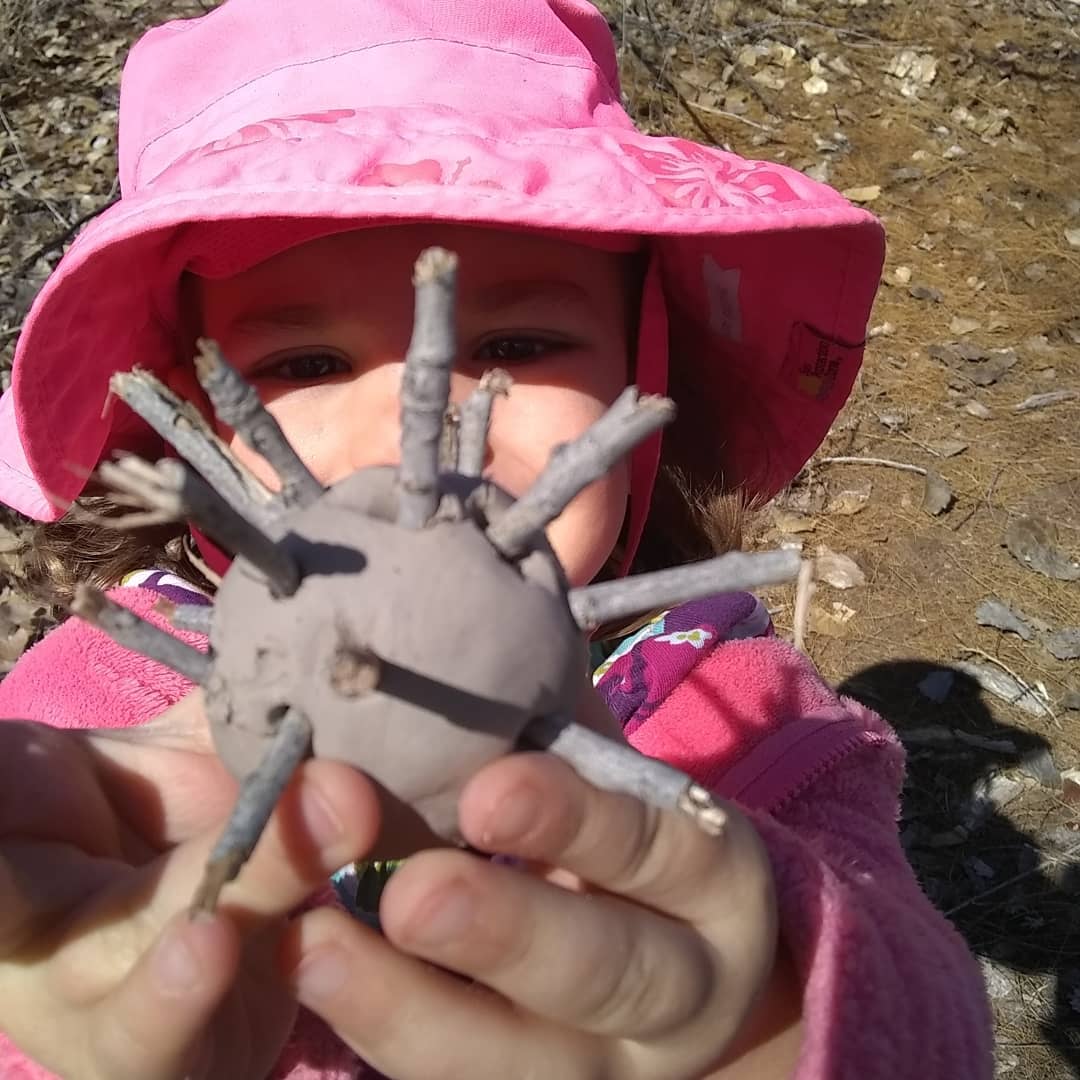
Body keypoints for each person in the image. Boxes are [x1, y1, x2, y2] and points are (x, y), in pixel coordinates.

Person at [0, 1, 992, 1077]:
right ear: (202, 421)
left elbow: (931, 1020)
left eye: (518, 341)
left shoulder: (751, 719)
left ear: (640, 378)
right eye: (305, 364)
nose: (407, 431)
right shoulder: (85, 737)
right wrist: (77, 1020)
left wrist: (768, 1017)